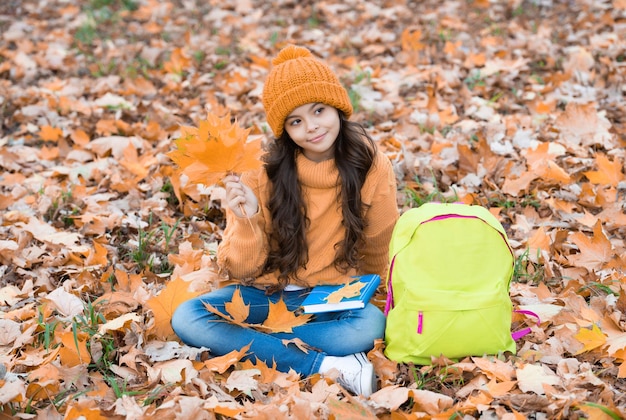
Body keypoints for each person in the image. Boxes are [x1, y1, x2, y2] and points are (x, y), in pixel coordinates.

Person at [171, 44, 399, 397]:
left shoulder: (371, 166)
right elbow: (241, 269)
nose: (312, 127)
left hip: (330, 298)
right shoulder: (259, 173)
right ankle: (327, 367)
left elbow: (379, 243)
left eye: (318, 110)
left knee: (367, 325)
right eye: (296, 120)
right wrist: (247, 220)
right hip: (264, 293)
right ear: (284, 129)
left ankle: (256, 347)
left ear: (338, 106)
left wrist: (382, 301)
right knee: (187, 317)